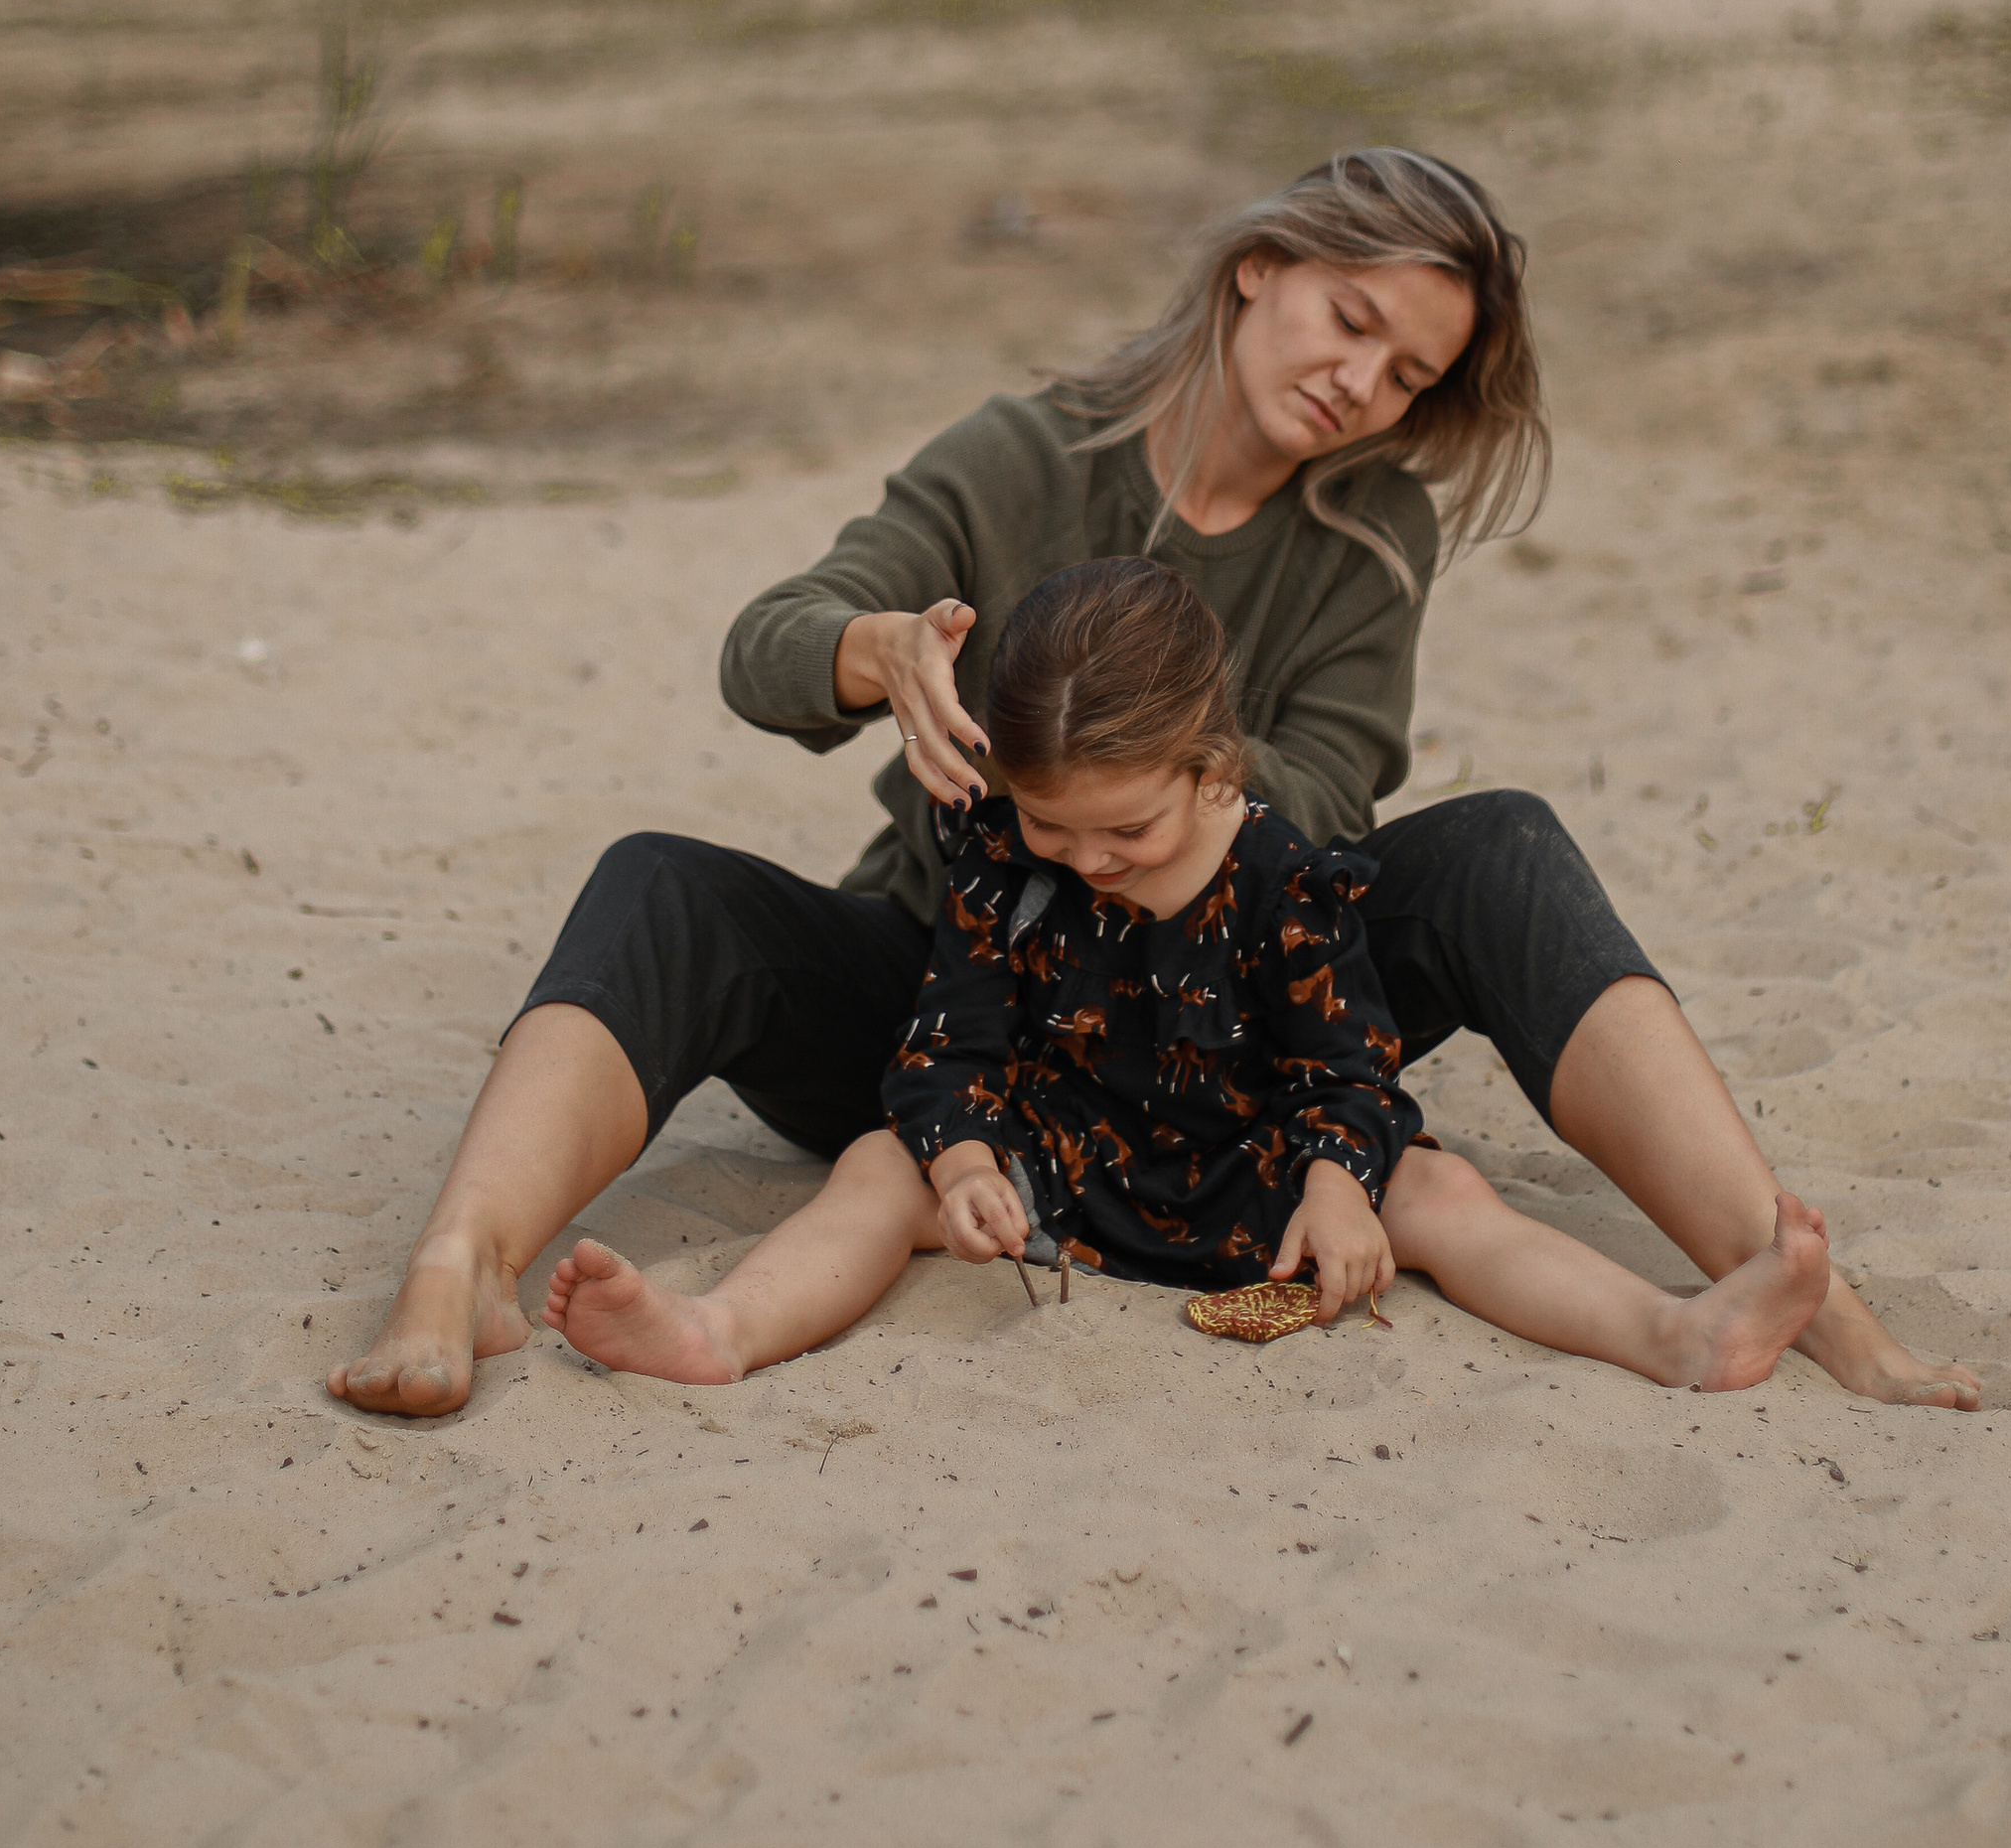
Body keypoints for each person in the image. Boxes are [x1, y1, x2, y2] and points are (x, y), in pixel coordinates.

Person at [332, 144, 1976, 1416]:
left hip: (1234, 1017)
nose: (1362, 382)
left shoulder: (1372, 533)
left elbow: (1329, 791)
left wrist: (1143, 787)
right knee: (659, 882)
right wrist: (883, 651)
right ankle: (461, 1266)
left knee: (1503, 849)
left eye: (1408, 375)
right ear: (1261, 271)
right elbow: (766, 645)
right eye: (1351, 321)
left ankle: (1803, 1299)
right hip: (956, 997)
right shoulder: (1024, 455)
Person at [539, 560, 1834, 1391]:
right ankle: (717, 1333)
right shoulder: (1002, 858)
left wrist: (1337, 1186)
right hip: (1061, 1161)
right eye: (1054, 826)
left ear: (1213, 770)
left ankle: (1676, 1334)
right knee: (883, 1165)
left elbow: (1352, 1071)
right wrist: (968, 1161)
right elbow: (951, 1042)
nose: (1089, 861)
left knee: (1442, 1192)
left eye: (1129, 830)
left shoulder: (1285, 881)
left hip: (1254, 1170)